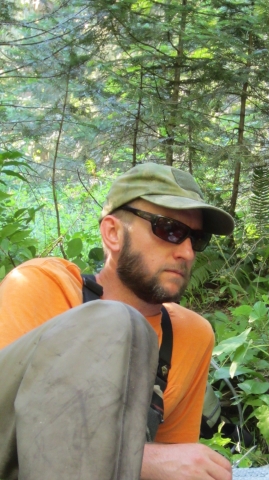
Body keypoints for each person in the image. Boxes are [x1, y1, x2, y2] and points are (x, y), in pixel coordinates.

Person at [0, 163, 235, 480]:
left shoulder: (191, 335)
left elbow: (175, 463)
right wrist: (143, 460)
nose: (188, 252)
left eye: (196, 238)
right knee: (119, 321)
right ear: (112, 232)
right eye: (170, 230)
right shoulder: (42, 286)